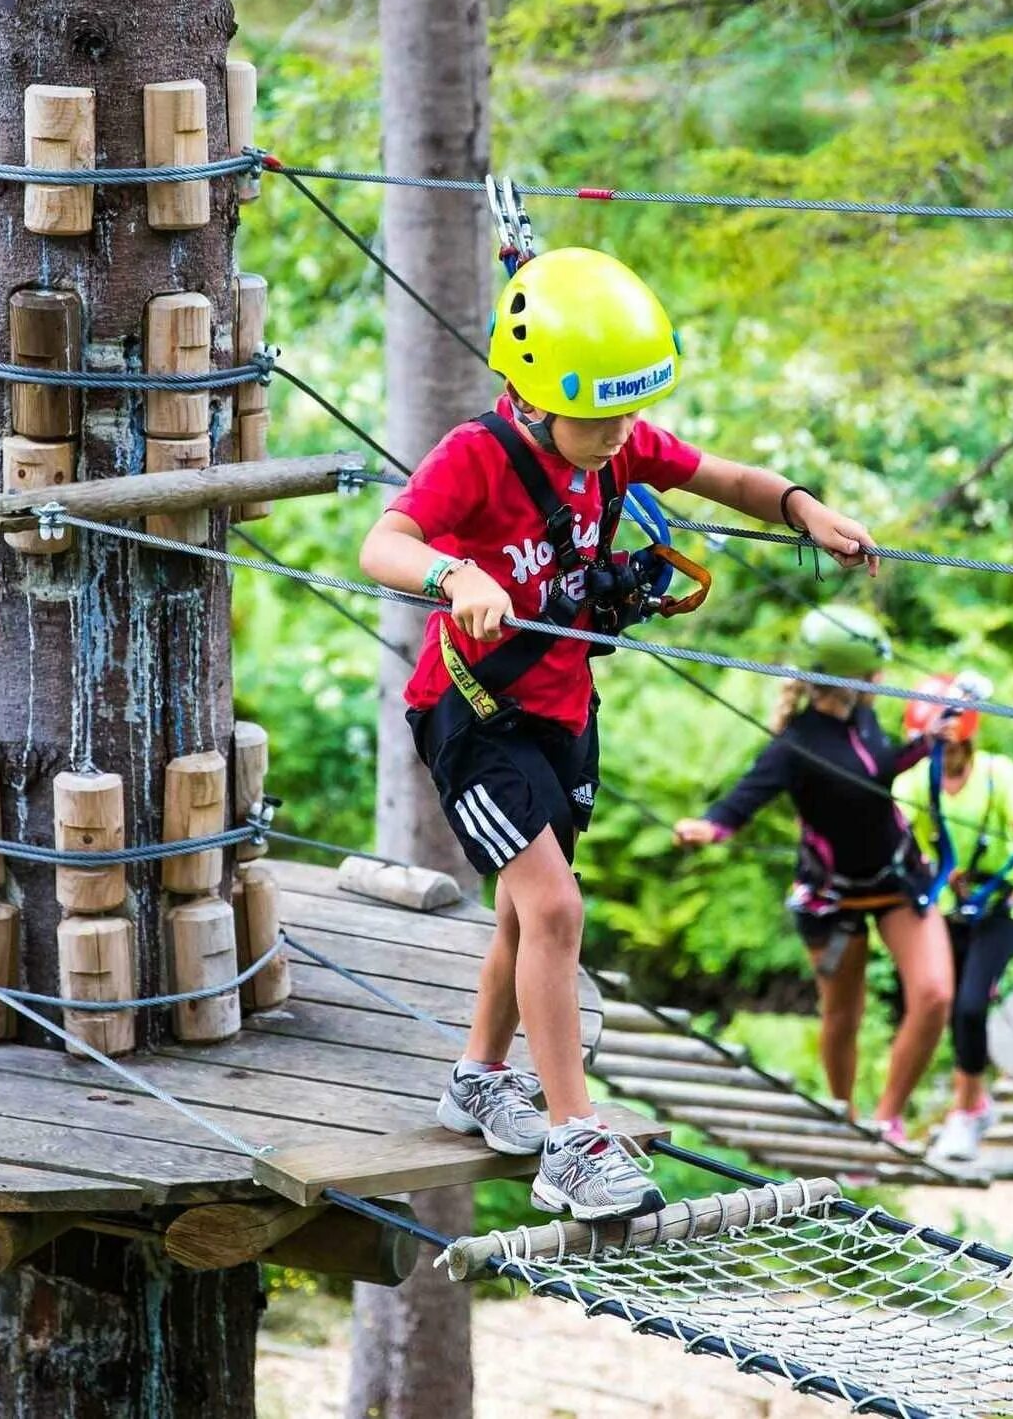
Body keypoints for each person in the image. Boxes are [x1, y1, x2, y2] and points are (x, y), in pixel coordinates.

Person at [359, 246, 878, 1221]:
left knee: (525, 910)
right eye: (595, 418)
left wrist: (806, 510)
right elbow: (382, 541)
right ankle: (573, 1140)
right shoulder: (476, 457)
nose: (615, 437)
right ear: (528, 393)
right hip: (473, 718)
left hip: (562, 716)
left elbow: (726, 477)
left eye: (624, 415)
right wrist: (453, 577)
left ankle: (477, 1080)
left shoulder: (618, 446)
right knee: (555, 910)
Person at [673, 608, 952, 1145]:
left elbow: (878, 770)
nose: (881, 683)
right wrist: (708, 827)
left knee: (935, 994)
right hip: (833, 898)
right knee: (843, 1015)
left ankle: (887, 1119)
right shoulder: (794, 745)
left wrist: (925, 743)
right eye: (876, 675)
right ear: (855, 678)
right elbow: (746, 796)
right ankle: (842, 1118)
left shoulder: (863, 719)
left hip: (898, 879)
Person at [891, 680, 1013, 1165]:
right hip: (942, 909)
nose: (940, 752)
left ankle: (964, 1112)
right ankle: (974, 1103)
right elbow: (897, 843)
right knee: (950, 1009)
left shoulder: (997, 772)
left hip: (998, 908)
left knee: (970, 1006)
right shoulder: (909, 786)